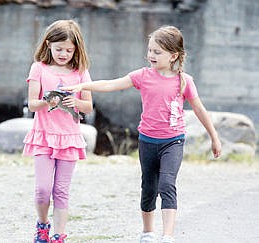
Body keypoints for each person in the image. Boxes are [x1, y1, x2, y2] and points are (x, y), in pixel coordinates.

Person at [61, 25, 222, 243]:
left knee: (167, 184)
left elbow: (199, 109)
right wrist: (80, 86)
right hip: (147, 141)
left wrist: (214, 137)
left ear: (173, 55)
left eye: (157, 52)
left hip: (173, 141)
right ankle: (147, 232)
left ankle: (167, 236)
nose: (151, 55)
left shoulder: (185, 81)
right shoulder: (142, 76)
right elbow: (110, 84)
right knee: (148, 188)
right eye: (150, 50)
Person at [22, 19, 93, 243]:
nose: (63, 54)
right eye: (59, 49)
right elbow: (32, 104)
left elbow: (88, 105)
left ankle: (58, 236)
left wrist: (75, 102)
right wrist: (48, 100)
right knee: (43, 189)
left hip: (69, 138)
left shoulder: (80, 72)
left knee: (61, 190)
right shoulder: (39, 68)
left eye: (69, 50)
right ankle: (42, 224)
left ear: (76, 49)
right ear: (48, 45)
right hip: (43, 135)